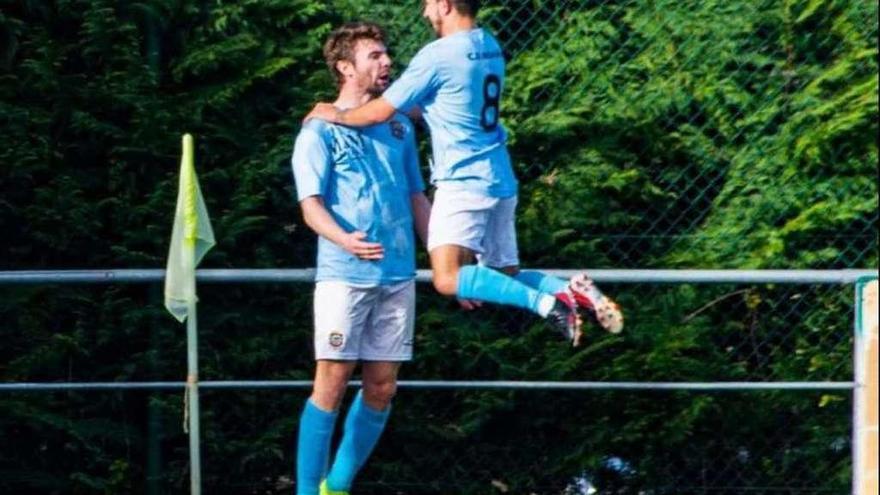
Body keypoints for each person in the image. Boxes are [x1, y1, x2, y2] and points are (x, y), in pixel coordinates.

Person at [306, 0, 623, 345]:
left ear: (444, 5)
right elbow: (440, 101)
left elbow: (377, 113)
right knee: (502, 276)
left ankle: (549, 304)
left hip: (463, 182)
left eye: (428, 4)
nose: (425, 13)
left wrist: (333, 113)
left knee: (446, 278)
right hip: (500, 179)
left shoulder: (437, 55)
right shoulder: (489, 45)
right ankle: (569, 288)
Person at [290, 22, 431, 495]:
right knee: (329, 386)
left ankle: (338, 486)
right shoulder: (319, 129)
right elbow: (310, 207)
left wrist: (446, 259)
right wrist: (345, 240)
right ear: (345, 67)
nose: (387, 62)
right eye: (375, 55)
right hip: (344, 277)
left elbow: (417, 198)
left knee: (382, 388)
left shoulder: (398, 127)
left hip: (397, 276)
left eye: (387, 54)